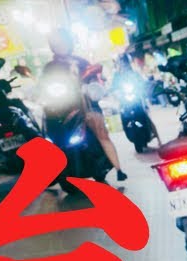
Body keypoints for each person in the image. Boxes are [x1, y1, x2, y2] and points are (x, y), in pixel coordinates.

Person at [48, 29, 128, 182]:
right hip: (62, 110)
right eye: (56, 43)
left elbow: (95, 79)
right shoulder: (50, 67)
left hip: (87, 106)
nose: (60, 46)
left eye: (63, 43)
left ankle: (118, 169)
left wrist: (91, 85)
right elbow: (44, 86)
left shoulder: (80, 62)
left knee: (101, 133)